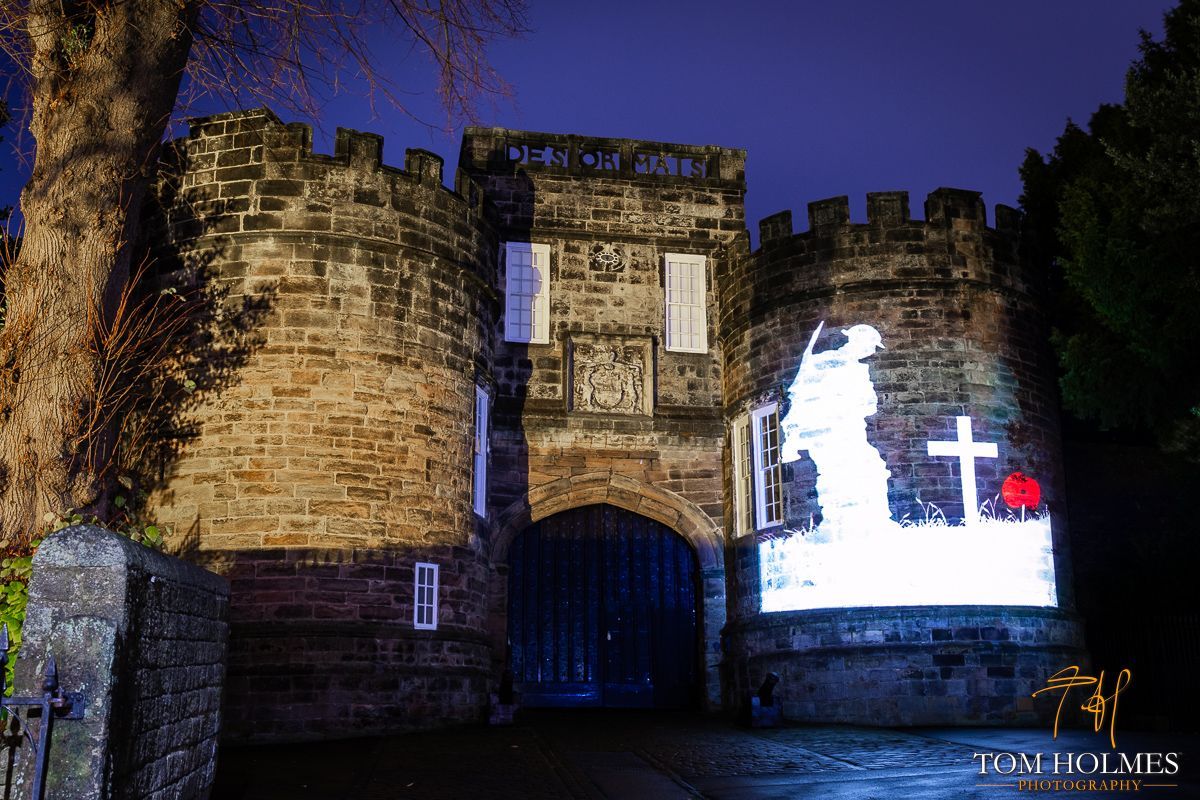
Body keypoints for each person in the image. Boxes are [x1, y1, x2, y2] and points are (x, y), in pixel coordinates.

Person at [780, 323, 893, 534]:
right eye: (870, 346)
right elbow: (804, 396)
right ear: (858, 342)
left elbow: (870, 404)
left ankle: (873, 521)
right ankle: (836, 524)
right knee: (836, 476)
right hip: (829, 432)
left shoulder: (858, 368)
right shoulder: (825, 363)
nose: (871, 352)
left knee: (872, 467)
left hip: (851, 429)